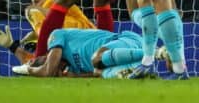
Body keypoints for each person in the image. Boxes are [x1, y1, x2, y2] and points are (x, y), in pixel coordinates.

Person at [0, 0, 95, 64]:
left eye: (37, 1)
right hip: (85, 48)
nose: (35, 5)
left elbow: (54, 16)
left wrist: (34, 11)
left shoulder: (53, 0)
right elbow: (33, 64)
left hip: (85, 36)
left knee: (31, 11)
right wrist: (12, 46)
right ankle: (41, 45)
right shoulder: (61, 42)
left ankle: (42, 44)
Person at [9, 28, 150, 79]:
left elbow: (48, 71)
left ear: (41, 57)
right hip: (121, 59)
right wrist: (76, 76)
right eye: (29, 62)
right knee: (101, 73)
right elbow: (94, 76)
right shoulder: (71, 70)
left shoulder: (56, 36)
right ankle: (136, 69)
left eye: (31, 61)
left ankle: (154, 53)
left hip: (127, 41)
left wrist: (28, 69)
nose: (31, 61)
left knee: (96, 59)